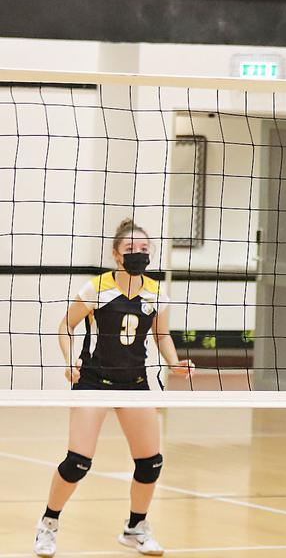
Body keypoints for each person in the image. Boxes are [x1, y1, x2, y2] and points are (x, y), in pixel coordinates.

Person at [34, 219, 193, 558]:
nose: (138, 254)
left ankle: (135, 528)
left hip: (135, 384)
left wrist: (175, 362)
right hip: (93, 381)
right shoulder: (97, 288)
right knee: (77, 462)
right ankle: (49, 523)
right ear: (116, 255)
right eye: (130, 249)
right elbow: (66, 325)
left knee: (150, 463)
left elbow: (161, 336)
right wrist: (68, 360)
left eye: (144, 249)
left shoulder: (155, 293)